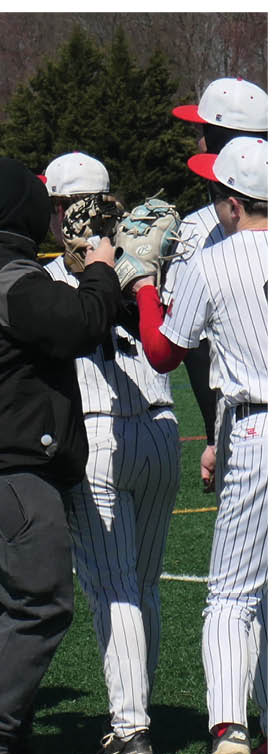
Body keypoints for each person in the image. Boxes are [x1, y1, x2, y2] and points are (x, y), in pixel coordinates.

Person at [0, 155, 121, 754]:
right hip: (6, 463)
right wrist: (100, 268)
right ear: (23, 210)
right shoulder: (9, 272)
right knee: (42, 599)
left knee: (14, 603)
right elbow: (77, 327)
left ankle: (5, 737)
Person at [132, 136, 268, 754]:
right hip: (245, 422)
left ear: (233, 202)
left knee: (232, 593)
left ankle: (229, 728)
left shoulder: (215, 260)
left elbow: (163, 350)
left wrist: (139, 282)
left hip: (256, 431)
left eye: (216, 194)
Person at [43, 153, 181, 754]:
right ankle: (140, 713)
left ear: (57, 210)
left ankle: (131, 730)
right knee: (143, 585)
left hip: (100, 434)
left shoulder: (52, 278)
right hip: (162, 428)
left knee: (115, 587)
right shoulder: (153, 262)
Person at [166, 77, 267, 493]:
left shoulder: (197, 229)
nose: (199, 140)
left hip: (247, 425)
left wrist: (212, 434)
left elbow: (182, 350)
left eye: (204, 131)